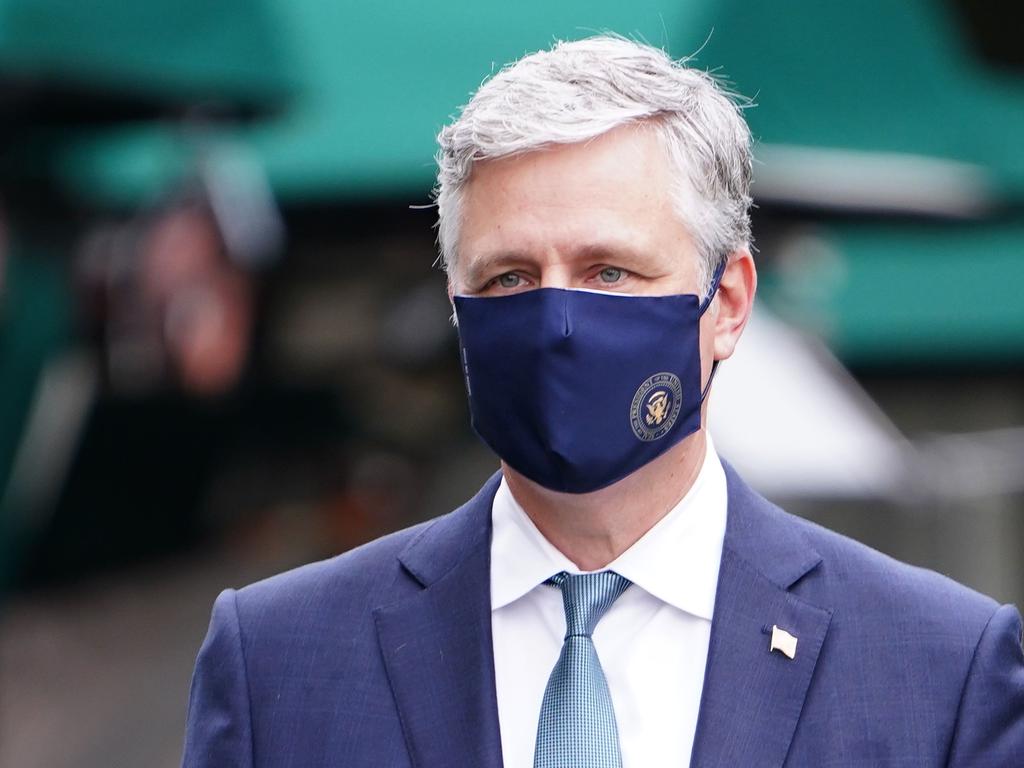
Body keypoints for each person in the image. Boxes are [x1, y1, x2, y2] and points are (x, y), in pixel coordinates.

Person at [182, 36, 1024, 767]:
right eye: (508, 277)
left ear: (727, 303)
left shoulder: (939, 668)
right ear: (456, 305)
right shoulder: (279, 663)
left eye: (608, 272)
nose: (554, 321)